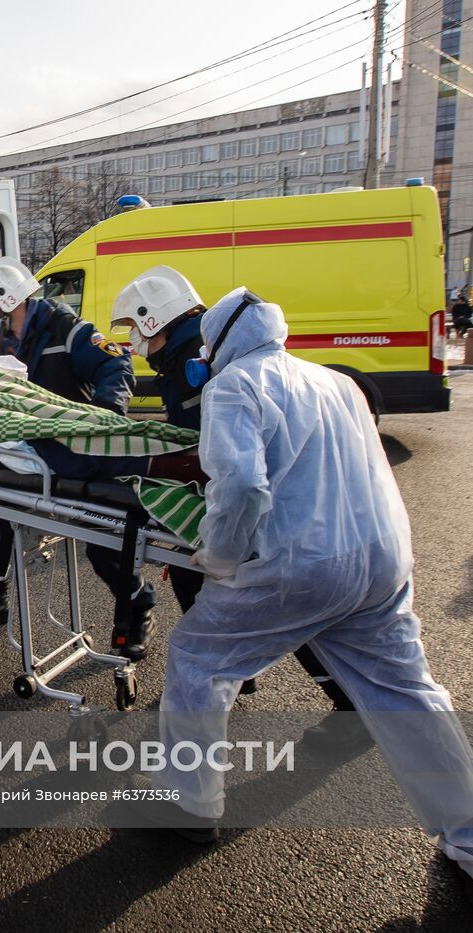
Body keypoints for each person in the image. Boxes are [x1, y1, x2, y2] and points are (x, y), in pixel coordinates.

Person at [144, 287, 473, 921]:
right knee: (407, 693)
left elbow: (238, 487)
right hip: (379, 560)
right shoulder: (335, 383)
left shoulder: (234, 387)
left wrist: (218, 559)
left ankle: (191, 803)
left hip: (299, 567)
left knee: (199, 658)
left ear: (222, 342)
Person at [113, 266, 362, 729]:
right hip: (326, 521)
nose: (133, 343)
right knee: (276, 601)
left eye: (133, 329)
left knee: (270, 601)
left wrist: (152, 466)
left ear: (154, 320)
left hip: (266, 509)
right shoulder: (191, 356)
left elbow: (217, 456)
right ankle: (315, 690)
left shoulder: (199, 368)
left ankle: (338, 697)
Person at [0, 257, 155, 661]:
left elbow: (115, 364)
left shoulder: (68, 331)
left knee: (101, 540)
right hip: (26, 453)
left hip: (72, 453)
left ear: (8, 299)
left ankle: (138, 608)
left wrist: (102, 416)